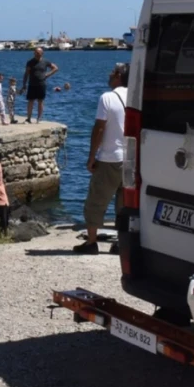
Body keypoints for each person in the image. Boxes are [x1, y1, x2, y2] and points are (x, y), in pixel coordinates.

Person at [74, 62, 129, 254]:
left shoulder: (107, 97)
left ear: (119, 76)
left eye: (113, 71)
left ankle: (91, 242)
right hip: (131, 159)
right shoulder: (136, 96)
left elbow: (99, 128)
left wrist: (91, 156)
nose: (109, 73)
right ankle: (121, 243)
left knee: (96, 201)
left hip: (110, 158)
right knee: (124, 204)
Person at [21, 47, 58, 124]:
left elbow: (55, 68)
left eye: (38, 53)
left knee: (40, 101)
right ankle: (28, 118)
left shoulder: (45, 61)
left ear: (42, 53)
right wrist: (24, 84)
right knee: (30, 101)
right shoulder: (30, 62)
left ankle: (39, 118)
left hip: (41, 84)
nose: (36, 54)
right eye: (35, 53)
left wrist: (48, 74)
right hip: (31, 84)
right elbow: (26, 73)